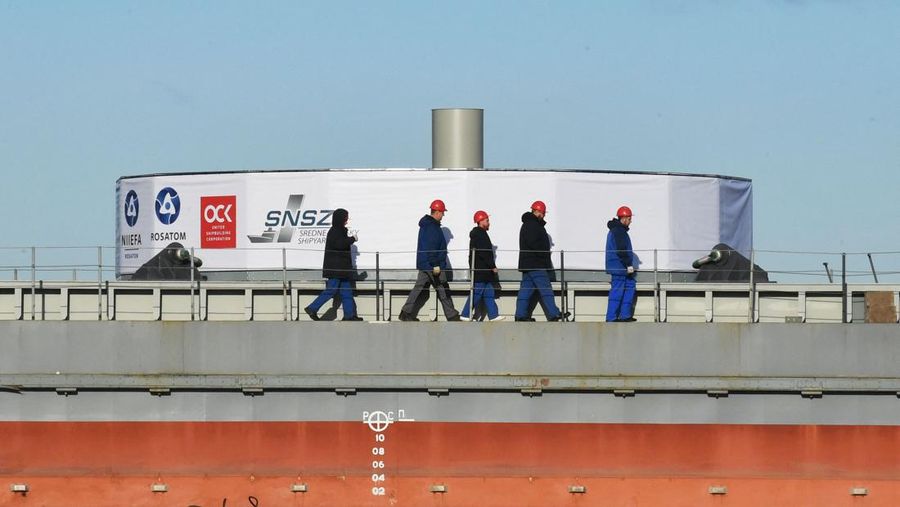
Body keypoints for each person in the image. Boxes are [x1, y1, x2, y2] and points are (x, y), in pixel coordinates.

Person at [398, 199, 461, 322]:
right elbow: (432, 247)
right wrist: (436, 265)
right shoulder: (432, 227)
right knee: (443, 289)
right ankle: (452, 315)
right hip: (433, 265)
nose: (443, 215)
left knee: (418, 288)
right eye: (442, 212)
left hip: (425, 264)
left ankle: (405, 313)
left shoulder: (427, 225)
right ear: (437, 212)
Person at [304, 208, 362, 321]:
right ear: (341, 218)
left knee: (346, 292)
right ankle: (312, 308)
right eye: (346, 218)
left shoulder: (339, 230)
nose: (347, 221)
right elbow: (339, 245)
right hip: (336, 269)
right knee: (331, 290)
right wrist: (352, 239)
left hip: (342, 269)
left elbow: (340, 244)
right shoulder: (335, 231)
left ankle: (349, 316)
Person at [515, 200, 568, 322]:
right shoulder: (533, 224)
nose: (544, 215)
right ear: (538, 211)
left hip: (528, 264)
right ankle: (554, 313)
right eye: (543, 213)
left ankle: (520, 315)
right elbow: (534, 243)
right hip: (536, 263)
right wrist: (544, 254)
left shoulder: (528, 224)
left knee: (525, 291)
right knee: (546, 289)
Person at [460, 210, 504, 322]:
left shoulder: (479, 234)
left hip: (483, 271)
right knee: (477, 292)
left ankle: (493, 315)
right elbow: (485, 253)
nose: (489, 223)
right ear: (480, 221)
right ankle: (465, 314)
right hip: (481, 271)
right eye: (487, 220)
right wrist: (492, 266)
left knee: (489, 292)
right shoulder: (480, 234)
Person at [605, 205, 637, 322]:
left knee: (630, 285)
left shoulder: (617, 230)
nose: (630, 221)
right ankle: (611, 317)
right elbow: (622, 250)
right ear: (623, 219)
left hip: (619, 266)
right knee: (617, 290)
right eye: (629, 219)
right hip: (619, 267)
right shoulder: (619, 231)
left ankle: (625, 315)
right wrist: (628, 264)